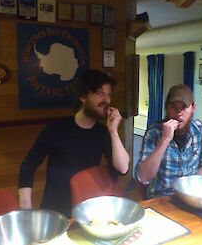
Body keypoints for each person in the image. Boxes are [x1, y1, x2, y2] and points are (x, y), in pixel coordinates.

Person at [18, 69, 130, 217]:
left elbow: (122, 169)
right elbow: (28, 165)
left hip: (88, 207)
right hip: (55, 208)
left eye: (109, 95)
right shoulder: (55, 129)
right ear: (83, 96)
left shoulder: (103, 132)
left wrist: (114, 132)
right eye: (100, 93)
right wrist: (25, 206)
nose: (107, 100)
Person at [135, 84, 202, 199]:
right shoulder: (154, 132)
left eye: (184, 107)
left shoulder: (200, 130)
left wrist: (194, 183)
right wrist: (165, 140)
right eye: (174, 107)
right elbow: (144, 177)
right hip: (161, 198)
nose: (179, 113)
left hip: (190, 196)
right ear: (166, 108)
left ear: (193, 108)